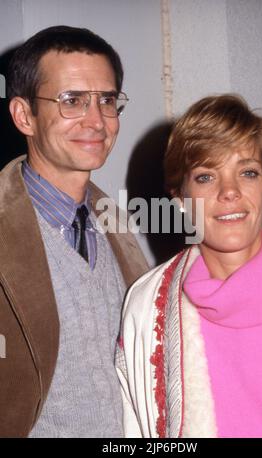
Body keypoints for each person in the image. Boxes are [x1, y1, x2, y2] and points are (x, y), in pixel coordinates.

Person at [116, 94, 262, 438]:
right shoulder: (144, 307)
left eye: (247, 172)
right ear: (180, 198)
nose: (229, 191)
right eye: (205, 177)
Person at [0, 25, 148, 438]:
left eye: (107, 100)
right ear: (24, 115)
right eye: (72, 101)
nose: (97, 120)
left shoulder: (118, 227)